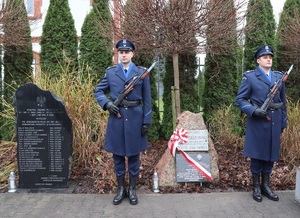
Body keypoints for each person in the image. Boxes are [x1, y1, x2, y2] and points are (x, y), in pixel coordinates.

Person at [94, 39, 152, 205]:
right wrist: (107, 103)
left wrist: (146, 121)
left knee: (134, 156)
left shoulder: (141, 72)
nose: (124, 55)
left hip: (135, 118)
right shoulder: (111, 72)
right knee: (118, 156)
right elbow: (98, 91)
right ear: (118, 54)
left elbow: (148, 99)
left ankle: (132, 189)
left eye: (127, 52)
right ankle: (121, 190)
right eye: (121, 52)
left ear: (132, 54)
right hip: (116, 119)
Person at [236, 45, 287, 202]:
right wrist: (253, 110)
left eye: (270, 57)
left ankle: (266, 186)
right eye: (265, 57)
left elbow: (282, 102)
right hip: (258, 122)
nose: (268, 59)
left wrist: (283, 122)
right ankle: (256, 187)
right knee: (257, 155)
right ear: (258, 60)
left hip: (275, 121)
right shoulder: (250, 77)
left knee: (271, 155)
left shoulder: (279, 77)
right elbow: (240, 100)